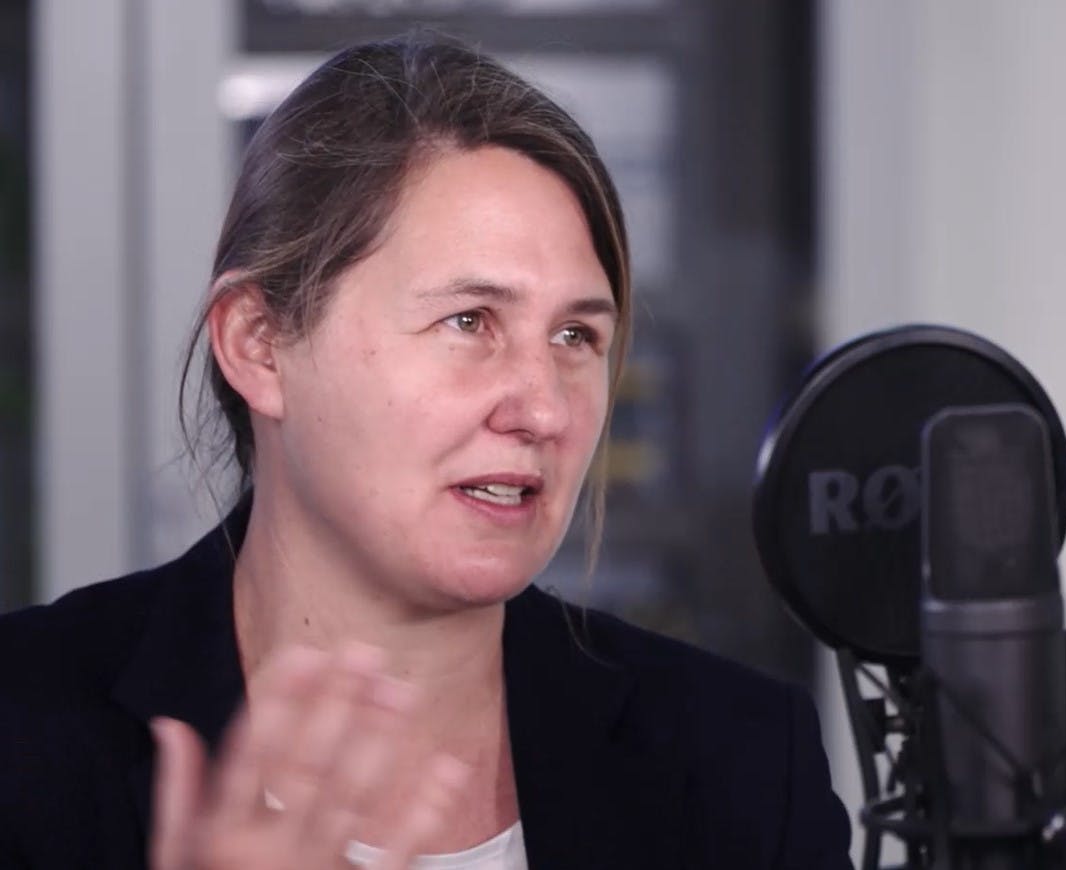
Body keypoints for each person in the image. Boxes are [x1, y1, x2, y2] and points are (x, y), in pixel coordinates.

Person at [0, 34, 852, 869]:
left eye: (573, 335)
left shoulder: (738, 764)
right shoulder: (25, 736)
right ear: (259, 345)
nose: (543, 408)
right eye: (468, 321)